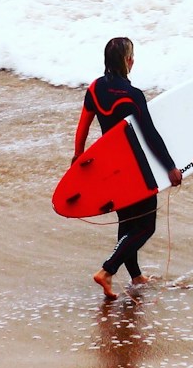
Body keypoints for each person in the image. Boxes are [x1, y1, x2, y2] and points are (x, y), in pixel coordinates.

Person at [73, 36, 182, 298]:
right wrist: (170, 167)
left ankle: (136, 276)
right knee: (145, 227)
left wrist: (77, 158)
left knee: (127, 222)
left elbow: (83, 126)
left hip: (110, 167)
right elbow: (149, 135)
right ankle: (107, 271)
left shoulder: (95, 89)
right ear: (127, 61)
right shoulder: (133, 96)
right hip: (135, 169)